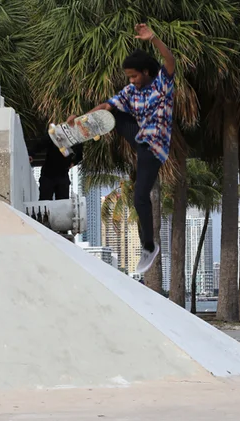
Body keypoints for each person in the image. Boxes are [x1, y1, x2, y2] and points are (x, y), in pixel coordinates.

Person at [67, 23, 175, 275]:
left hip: (154, 147)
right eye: (129, 78)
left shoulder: (162, 84)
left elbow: (170, 61)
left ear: (146, 72)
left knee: (140, 197)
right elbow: (106, 106)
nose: (132, 81)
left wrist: (154, 39)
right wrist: (81, 119)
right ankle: (80, 130)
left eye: (134, 76)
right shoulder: (130, 91)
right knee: (111, 112)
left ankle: (149, 246)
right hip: (138, 135)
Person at [28, 134, 83, 201]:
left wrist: (73, 163)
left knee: (63, 202)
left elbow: (80, 156)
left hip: (63, 175)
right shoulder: (56, 134)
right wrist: (31, 154)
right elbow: (41, 144)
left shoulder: (76, 139)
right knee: (45, 200)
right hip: (48, 173)